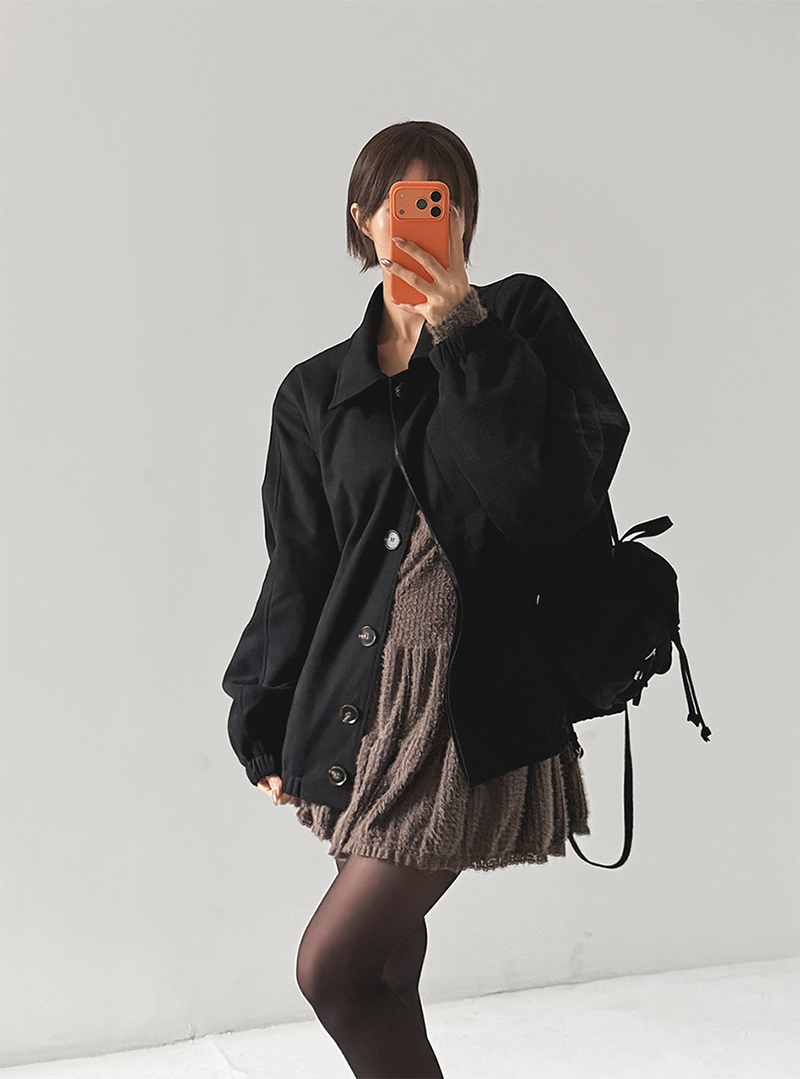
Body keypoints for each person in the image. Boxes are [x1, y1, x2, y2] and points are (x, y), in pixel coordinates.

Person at [222, 120, 629, 1079]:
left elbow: (546, 501)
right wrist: (262, 712)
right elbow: (300, 567)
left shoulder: (521, 321)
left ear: (466, 219)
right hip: (356, 708)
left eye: (443, 203)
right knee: (384, 968)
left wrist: (464, 333)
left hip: (470, 703)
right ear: (363, 220)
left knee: (333, 968)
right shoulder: (315, 393)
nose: (422, 222)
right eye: (400, 203)